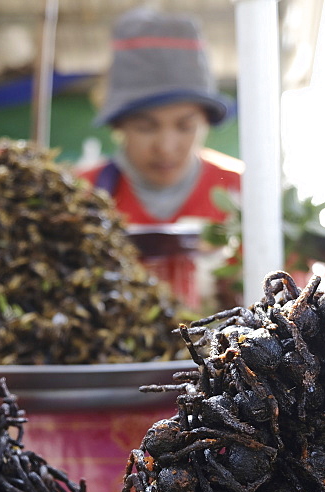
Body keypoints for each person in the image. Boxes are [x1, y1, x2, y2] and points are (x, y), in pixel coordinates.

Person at [79, 6, 242, 307]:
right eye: (145, 127)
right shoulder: (80, 195)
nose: (167, 146)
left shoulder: (245, 195)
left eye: (185, 126)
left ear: (206, 121)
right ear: (119, 124)